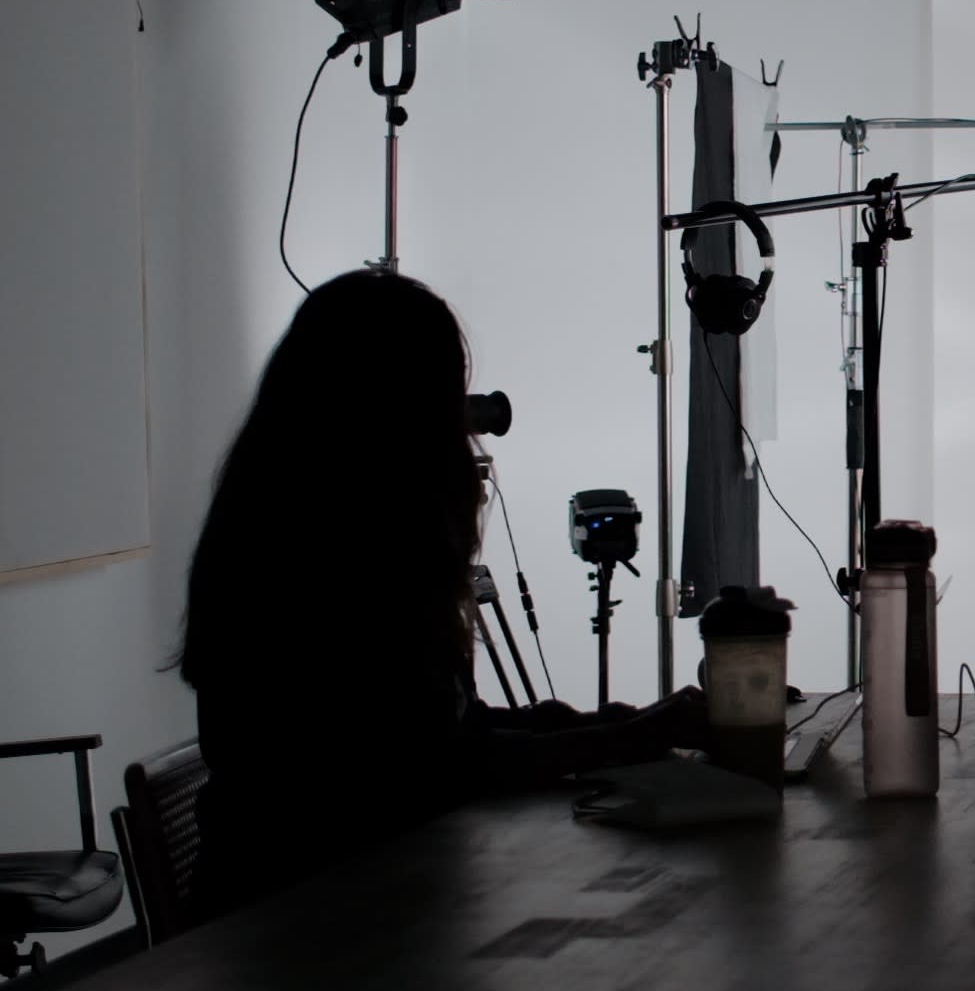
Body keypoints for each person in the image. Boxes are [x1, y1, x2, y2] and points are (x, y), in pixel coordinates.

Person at [178, 270, 677, 901]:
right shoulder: (330, 549)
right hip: (304, 921)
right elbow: (426, 767)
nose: (461, 425)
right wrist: (625, 739)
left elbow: (433, 732)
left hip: (342, 895)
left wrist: (577, 727)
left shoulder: (278, 517)